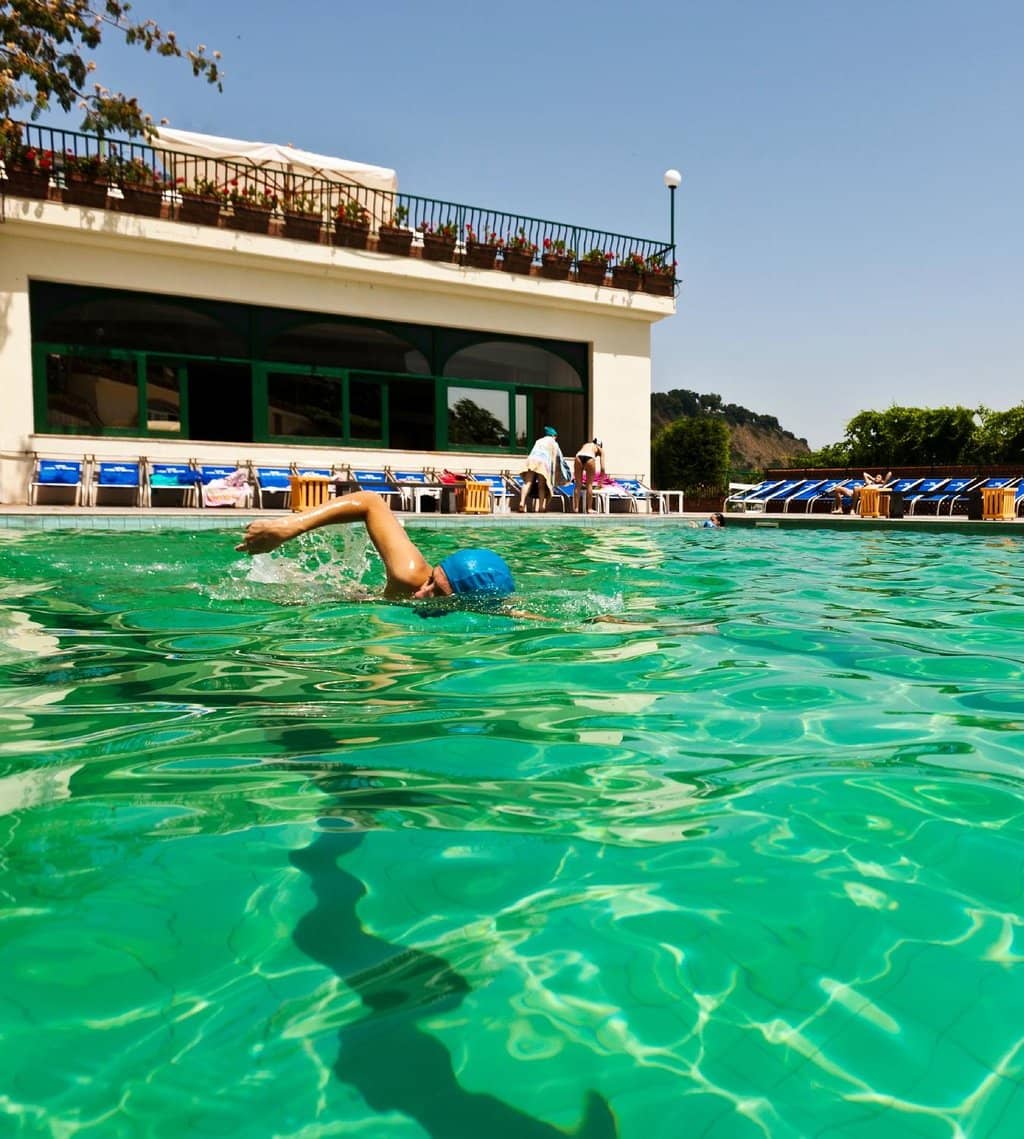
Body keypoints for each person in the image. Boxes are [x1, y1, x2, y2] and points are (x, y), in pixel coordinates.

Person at [235, 490, 513, 603]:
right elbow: (370, 502)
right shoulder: (410, 575)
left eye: (437, 592)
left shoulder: (483, 608)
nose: (420, 594)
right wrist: (289, 527)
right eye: (431, 580)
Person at [517, 426, 567, 513]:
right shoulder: (554, 443)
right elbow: (555, 459)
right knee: (542, 486)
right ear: (554, 436)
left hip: (532, 460)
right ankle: (541, 507)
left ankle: (521, 502)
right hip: (543, 463)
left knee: (527, 483)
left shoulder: (539, 441)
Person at [572, 438, 605, 513]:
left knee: (578, 484)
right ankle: (589, 509)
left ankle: (576, 508)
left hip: (578, 457)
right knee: (589, 485)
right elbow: (603, 468)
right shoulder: (601, 450)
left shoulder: (586, 445)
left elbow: (583, 453)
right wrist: (600, 482)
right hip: (590, 458)